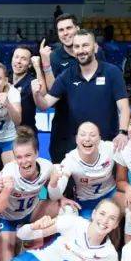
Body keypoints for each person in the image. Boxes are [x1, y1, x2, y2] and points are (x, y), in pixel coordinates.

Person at [34, 30, 130, 154]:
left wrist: (123, 132)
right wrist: (36, 94)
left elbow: (124, 107)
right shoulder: (67, 75)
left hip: (107, 145)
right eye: (77, 46)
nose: (81, 50)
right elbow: (45, 104)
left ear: (95, 48)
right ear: (73, 51)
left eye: (85, 45)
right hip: (77, 149)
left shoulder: (112, 72)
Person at [0, 126, 57, 261]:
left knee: (65, 208)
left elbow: (52, 191)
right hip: (7, 217)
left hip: (30, 214)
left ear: (37, 153)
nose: (24, 161)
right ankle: (9, 241)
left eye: (28, 155)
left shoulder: (47, 167)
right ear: (14, 157)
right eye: (19, 157)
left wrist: (62, 198)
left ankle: (52, 248)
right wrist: (7, 190)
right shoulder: (9, 172)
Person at [52, 121, 127, 220]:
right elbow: (56, 190)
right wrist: (55, 187)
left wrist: (124, 135)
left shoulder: (110, 148)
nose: (87, 139)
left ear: (99, 139)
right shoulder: (70, 160)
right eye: (83, 135)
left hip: (111, 194)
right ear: (76, 139)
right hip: (86, 202)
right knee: (86, 225)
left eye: (92, 135)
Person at [38, 13, 81, 162]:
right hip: (63, 123)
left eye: (69, 28)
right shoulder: (54, 56)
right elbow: (53, 90)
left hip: (89, 122)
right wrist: (46, 63)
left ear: (77, 29)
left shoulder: (94, 53)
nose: (65, 33)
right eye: (61, 30)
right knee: (59, 166)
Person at [9, 45, 39, 132]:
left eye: (23, 59)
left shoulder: (32, 82)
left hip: (26, 134)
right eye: (16, 57)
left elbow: (42, 95)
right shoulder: (4, 78)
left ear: (30, 64)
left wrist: (37, 67)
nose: (18, 61)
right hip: (5, 134)